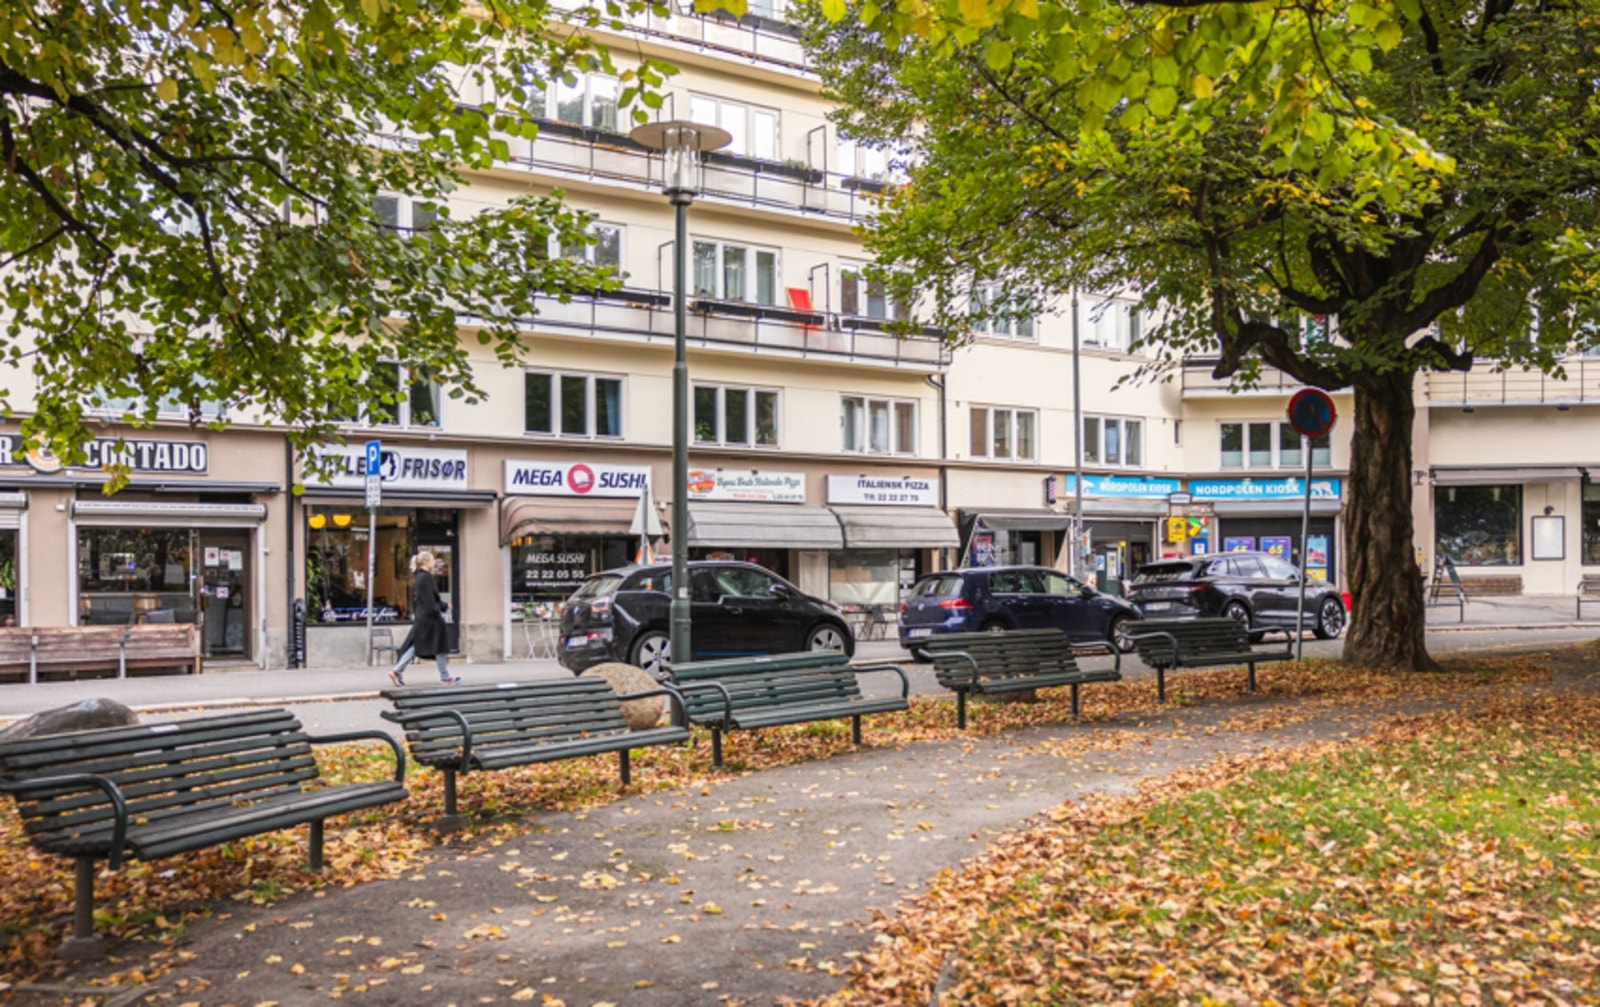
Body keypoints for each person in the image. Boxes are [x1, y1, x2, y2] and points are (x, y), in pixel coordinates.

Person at [388, 550, 458, 686]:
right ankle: (444, 677)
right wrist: (440, 609)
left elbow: (429, 599)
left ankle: (398, 671)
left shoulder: (421, 577)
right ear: (426, 562)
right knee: (438, 646)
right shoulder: (425, 578)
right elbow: (429, 601)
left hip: (425, 616)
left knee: (419, 645)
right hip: (430, 618)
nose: (434, 562)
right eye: (432, 560)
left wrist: (444, 605)